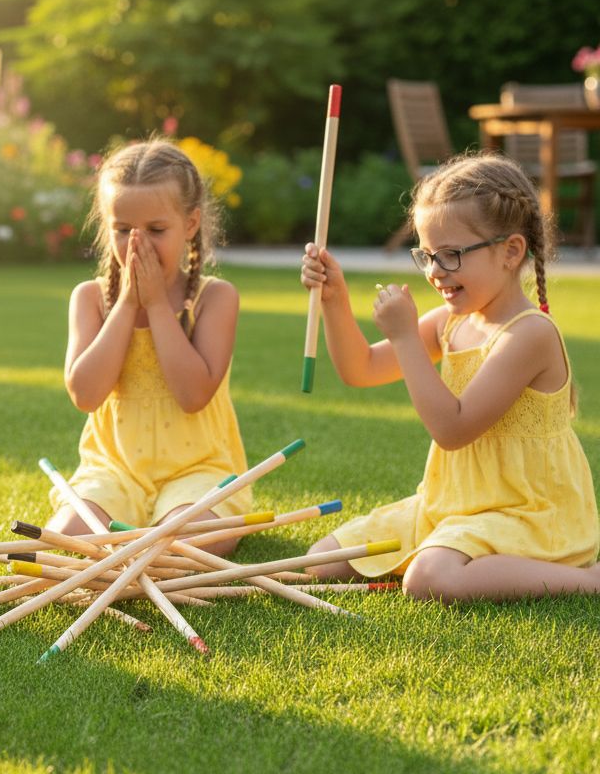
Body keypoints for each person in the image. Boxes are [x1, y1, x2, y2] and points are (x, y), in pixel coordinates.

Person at [300, 151, 599, 602]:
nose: (435, 272)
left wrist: (405, 338)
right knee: (318, 561)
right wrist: (334, 299)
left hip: (526, 511)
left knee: (427, 580)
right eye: (427, 255)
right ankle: (451, 547)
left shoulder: (529, 335)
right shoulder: (452, 321)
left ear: (510, 251)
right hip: (451, 504)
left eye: (451, 255)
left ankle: (589, 580)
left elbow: (453, 428)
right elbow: (360, 369)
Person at [46, 138, 251, 556]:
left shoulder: (215, 297)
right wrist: (127, 303)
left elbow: (193, 395)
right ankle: (126, 534)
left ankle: (157, 534)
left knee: (183, 549)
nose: (137, 244)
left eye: (156, 231)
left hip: (199, 470)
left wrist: (156, 303)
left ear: (190, 224)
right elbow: (85, 394)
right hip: (113, 471)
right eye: (122, 230)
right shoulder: (90, 298)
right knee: (67, 541)